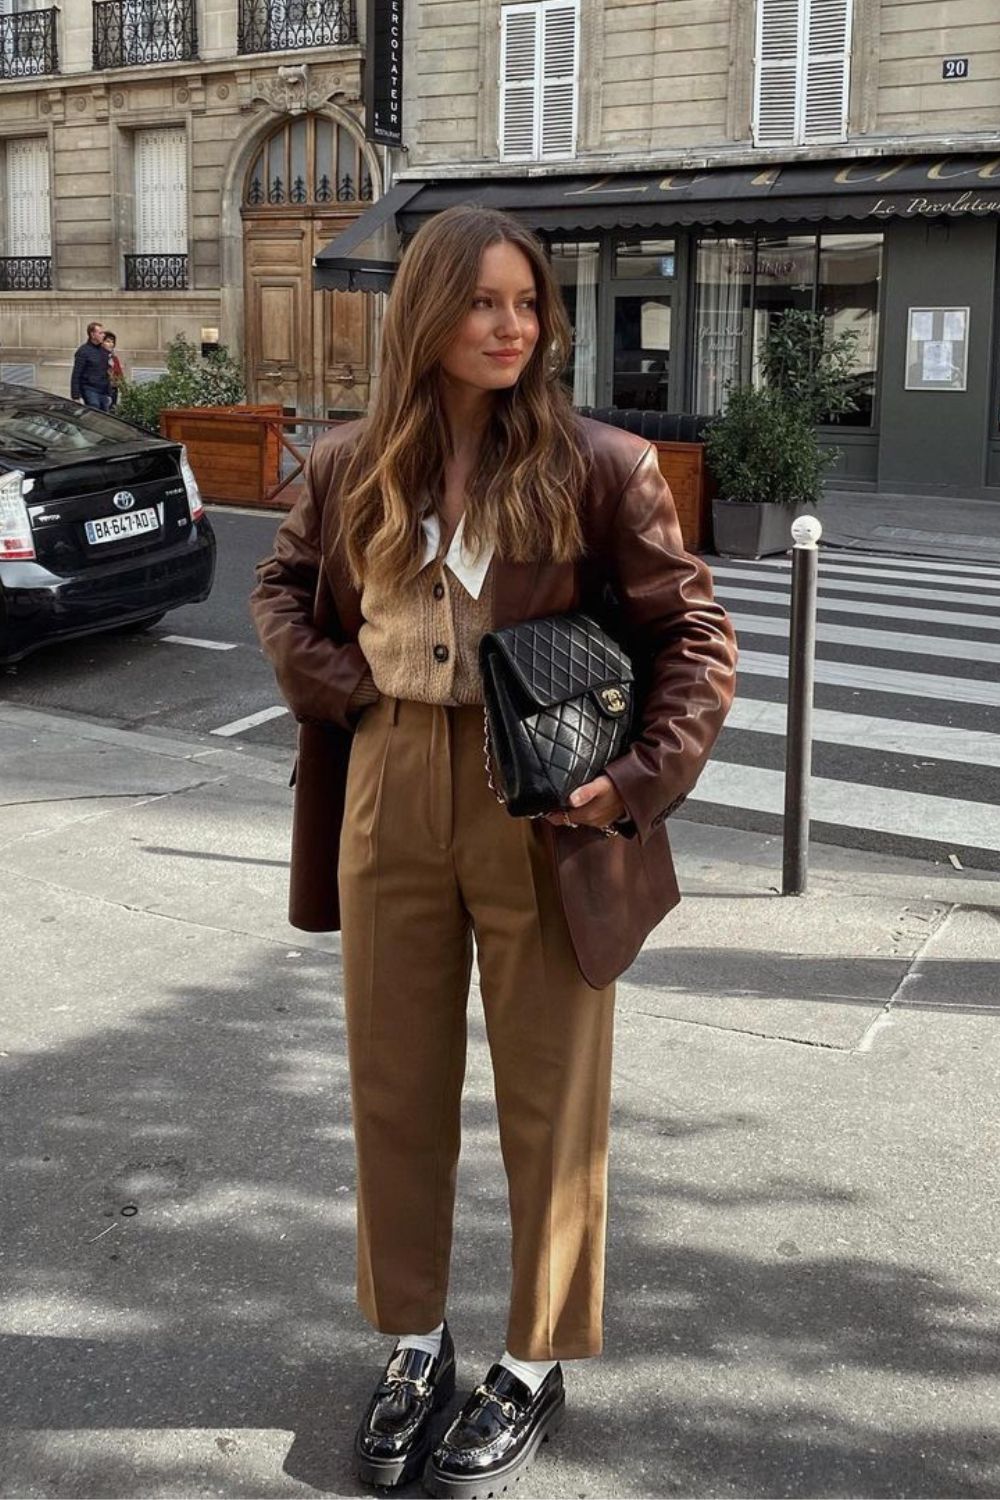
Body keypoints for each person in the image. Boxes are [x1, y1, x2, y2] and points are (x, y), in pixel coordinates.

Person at [251, 205, 737, 1499]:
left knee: (549, 1098)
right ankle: (416, 1338)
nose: (514, 323)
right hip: (389, 779)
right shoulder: (353, 462)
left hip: (543, 810)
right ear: (428, 313)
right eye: (484, 301)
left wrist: (630, 781)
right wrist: (339, 682)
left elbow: (694, 637)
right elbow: (282, 588)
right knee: (393, 1087)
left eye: (528, 301)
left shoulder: (600, 464)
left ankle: (534, 1355)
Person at [70, 322, 111, 410]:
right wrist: (75, 396)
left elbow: (106, 373)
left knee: (105, 417)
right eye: (100, 333)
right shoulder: (83, 351)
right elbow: (76, 374)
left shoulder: (104, 351)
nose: (103, 335)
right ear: (92, 334)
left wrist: (109, 393)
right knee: (94, 413)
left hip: (103, 390)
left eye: (103, 333)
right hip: (90, 390)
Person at [103, 331, 124, 408]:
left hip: (113, 388)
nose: (111, 344)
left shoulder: (114, 357)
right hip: (103, 389)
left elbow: (119, 373)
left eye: (112, 342)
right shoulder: (99, 356)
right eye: (108, 341)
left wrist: (123, 388)